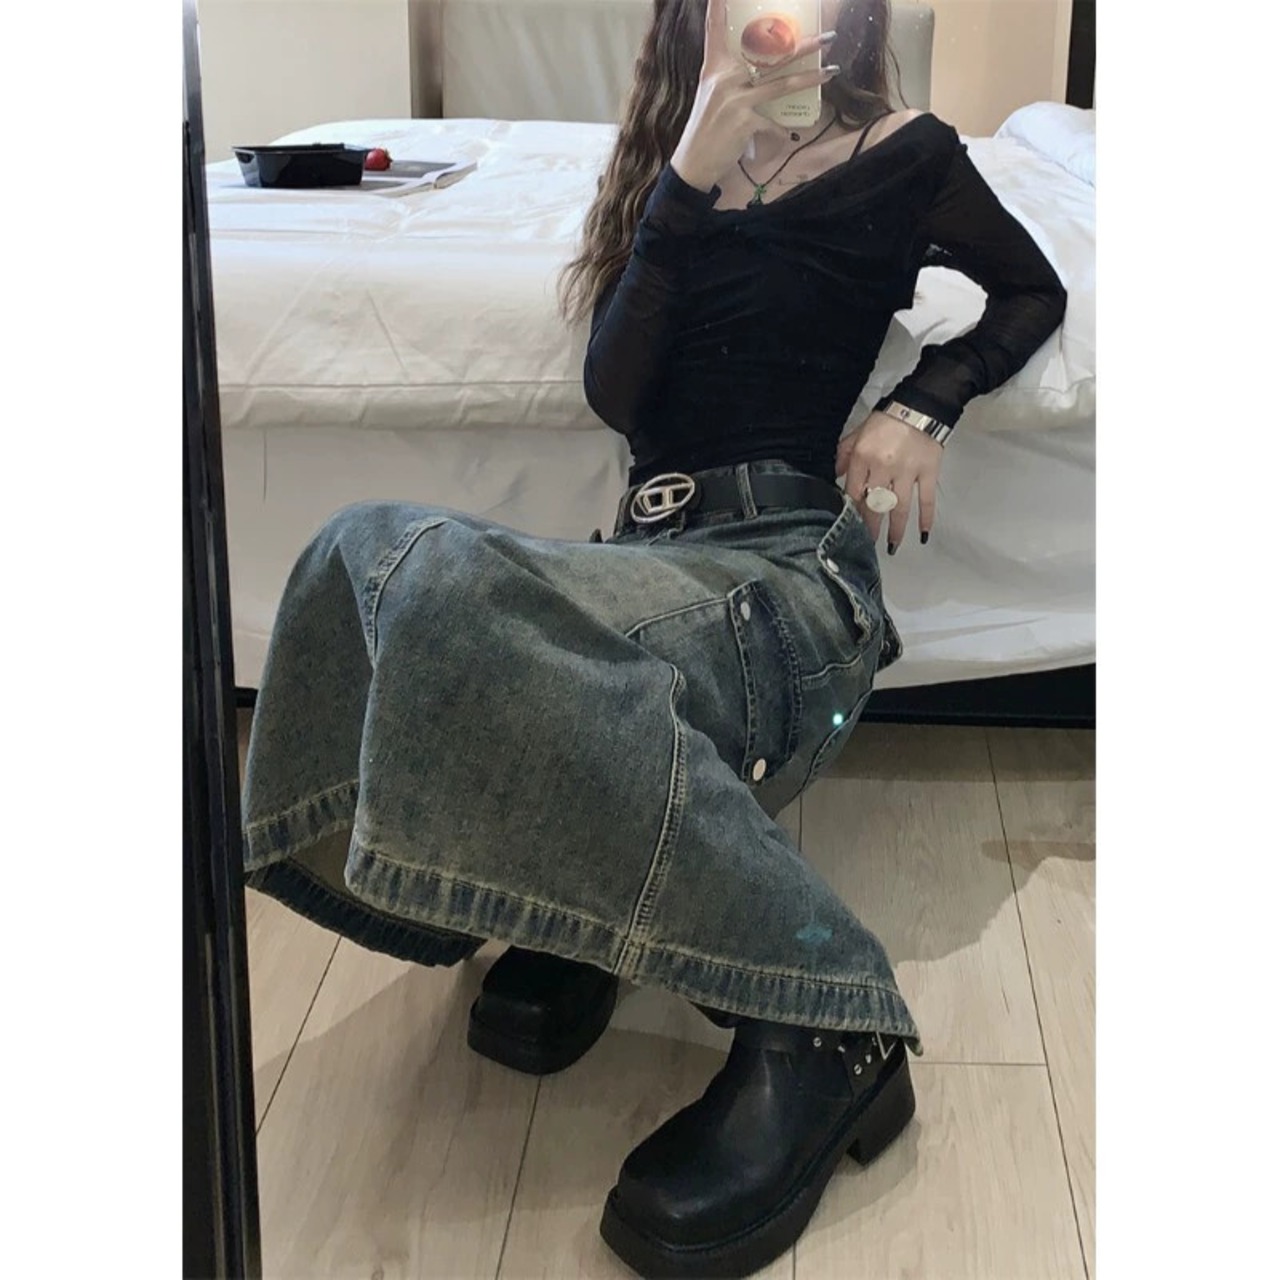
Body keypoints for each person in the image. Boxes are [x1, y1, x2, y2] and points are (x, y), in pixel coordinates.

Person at [240, 0, 1067, 1274]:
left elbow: (1030, 287)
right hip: (644, 562)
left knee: (444, 580)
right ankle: (579, 896)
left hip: (785, 577)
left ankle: (825, 1019)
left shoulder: (907, 154)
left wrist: (924, 403)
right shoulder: (661, 173)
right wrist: (685, 172)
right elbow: (618, 395)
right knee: (358, 547)